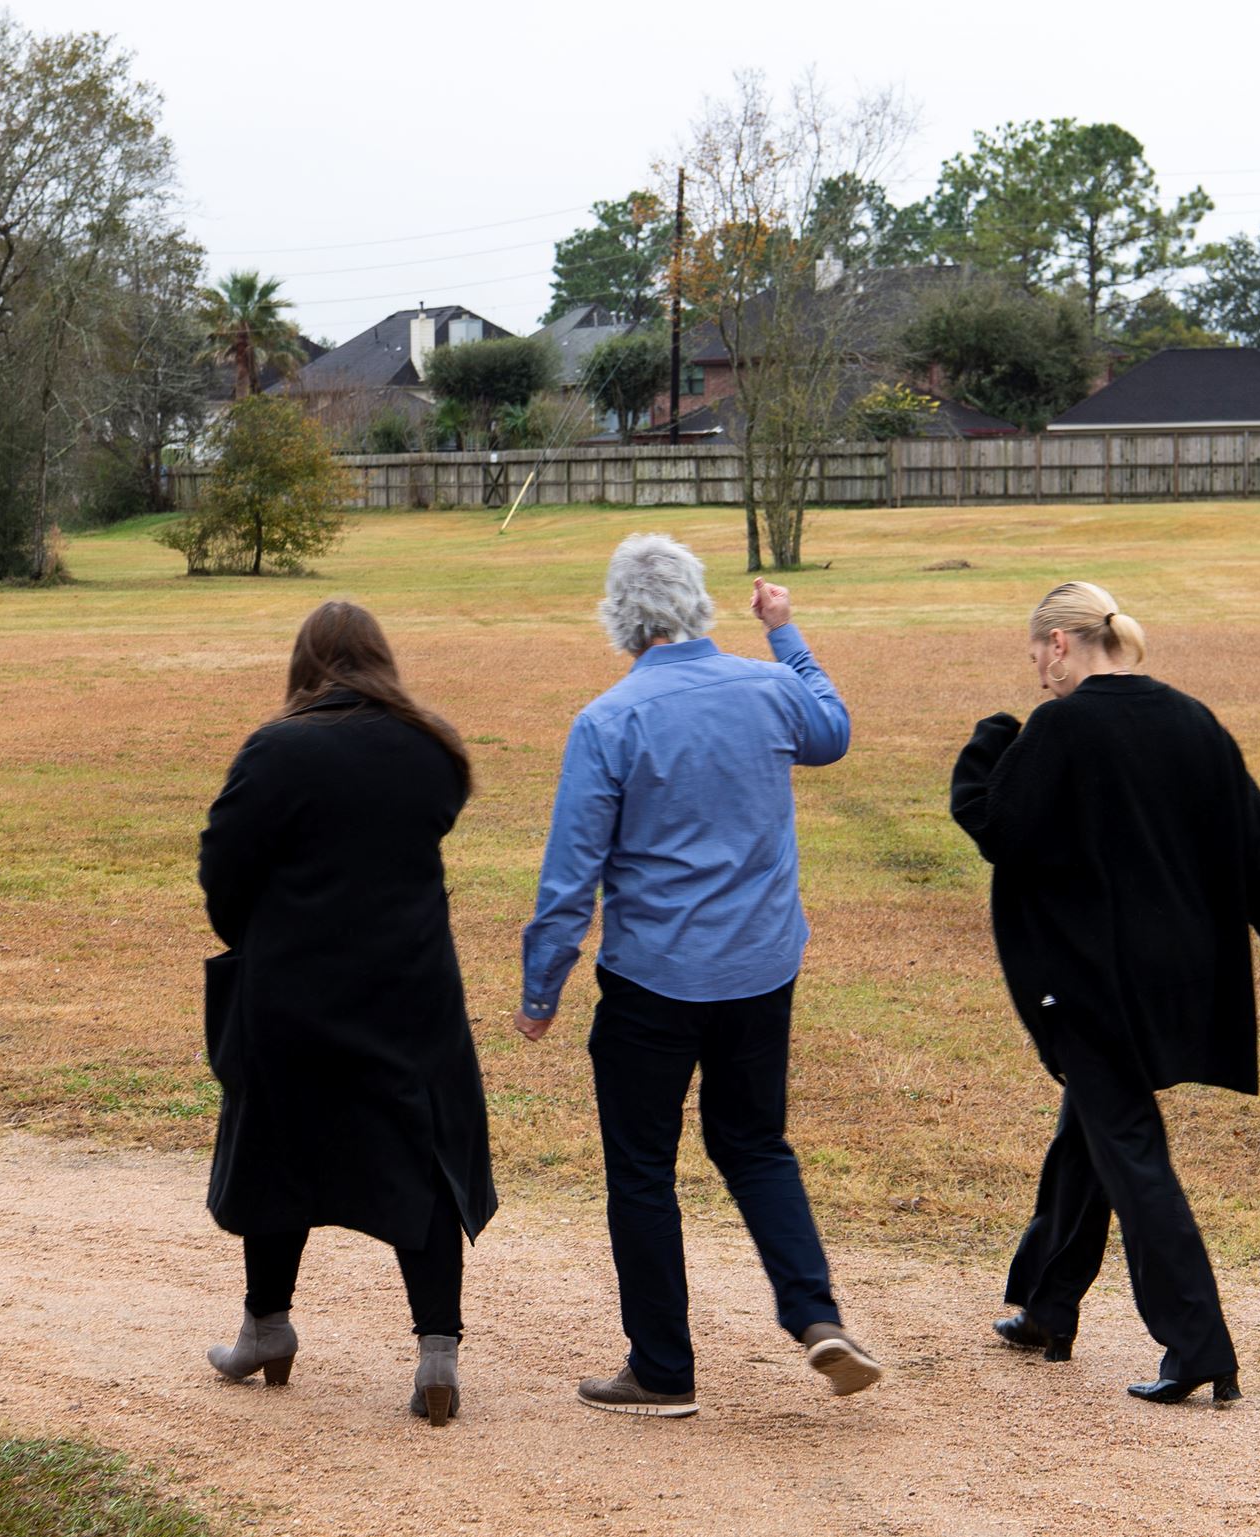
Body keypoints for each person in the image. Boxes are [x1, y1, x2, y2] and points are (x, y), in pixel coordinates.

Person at [519, 534, 881, 1419]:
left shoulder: (610, 719)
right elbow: (830, 731)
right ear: (700, 605)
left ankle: (663, 1368)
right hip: (760, 970)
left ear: (619, 621)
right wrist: (786, 634)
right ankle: (814, 1310)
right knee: (755, 1143)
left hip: (654, 980)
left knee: (642, 1167)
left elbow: (573, 874)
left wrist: (542, 987)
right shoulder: (767, 688)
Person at [951, 581, 1260, 1407]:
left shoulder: (1060, 727)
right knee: (1090, 1129)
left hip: (1095, 981)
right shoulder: (1191, 718)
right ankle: (1047, 1308)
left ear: (1061, 643)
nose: (1036, 677)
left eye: (1035, 657)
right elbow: (1257, 839)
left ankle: (1199, 1342)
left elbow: (1001, 832)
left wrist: (986, 747)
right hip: (1183, 979)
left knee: (1130, 1147)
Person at [197, 600, 496, 1427]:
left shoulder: (277, 748)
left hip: (293, 989)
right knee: (422, 1150)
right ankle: (438, 1351)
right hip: (412, 987)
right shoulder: (433, 747)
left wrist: (257, 932)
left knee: (276, 1146)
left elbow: (222, 866)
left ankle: (267, 1327)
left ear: (305, 664)